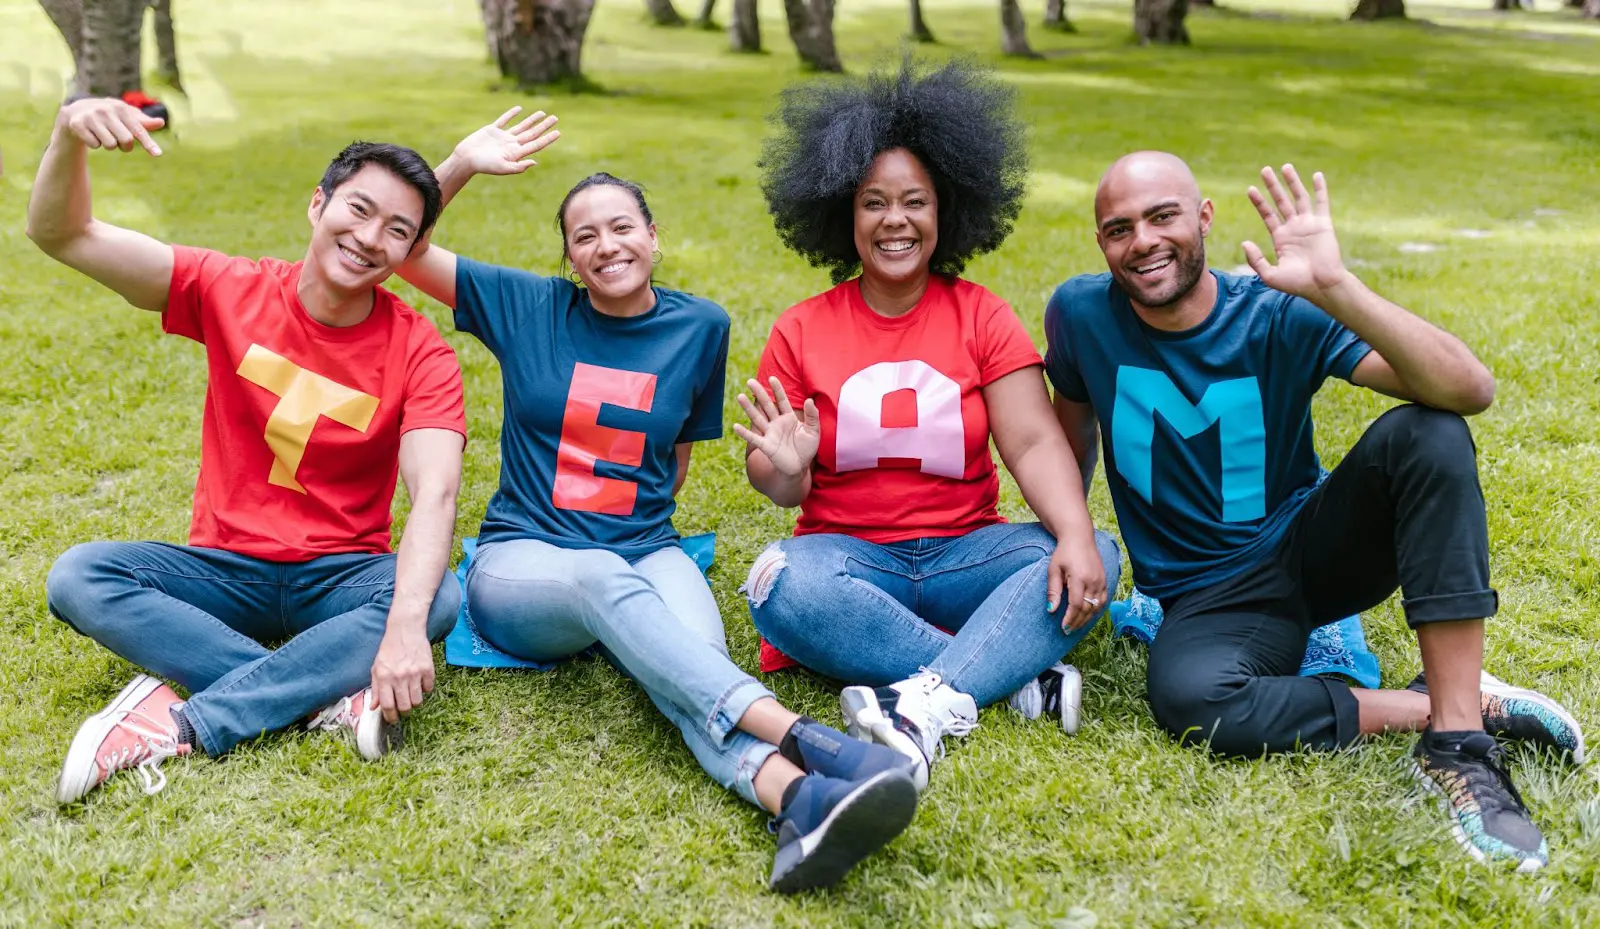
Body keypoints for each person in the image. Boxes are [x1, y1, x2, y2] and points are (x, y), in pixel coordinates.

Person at [394, 108, 919, 893]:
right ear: (569, 257)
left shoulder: (701, 327)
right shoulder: (527, 307)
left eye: (621, 227)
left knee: (695, 667)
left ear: (653, 234)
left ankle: (796, 796)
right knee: (605, 584)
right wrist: (462, 163)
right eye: (585, 236)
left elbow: (671, 465)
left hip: (645, 548)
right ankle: (814, 739)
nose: (607, 246)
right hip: (522, 564)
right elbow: (397, 246)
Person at [1044, 151, 1585, 871]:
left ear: (1203, 217)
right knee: (1188, 699)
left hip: (1314, 551)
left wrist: (1335, 285)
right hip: (1208, 598)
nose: (1141, 240)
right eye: (1118, 228)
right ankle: (1434, 701)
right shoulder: (1080, 314)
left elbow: (1470, 388)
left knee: (1428, 431)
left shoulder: (1280, 310)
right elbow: (1068, 437)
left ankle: (1457, 745)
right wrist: (1070, 535)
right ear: (1101, 242)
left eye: (1162, 215)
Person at [31, 98, 467, 804]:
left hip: (340, 578)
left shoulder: (421, 351)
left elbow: (437, 495)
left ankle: (186, 720)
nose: (368, 238)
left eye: (397, 230)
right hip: (224, 572)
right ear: (316, 203)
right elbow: (64, 233)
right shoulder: (228, 288)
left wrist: (408, 626)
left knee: (436, 595)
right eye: (357, 209)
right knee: (80, 576)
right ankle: (326, 698)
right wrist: (67, 135)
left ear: (409, 250)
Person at [737, 58, 1122, 792]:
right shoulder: (802, 329)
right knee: (778, 584)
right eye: (873, 203)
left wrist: (1073, 535)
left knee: (1096, 548)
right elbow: (778, 484)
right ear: (842, 214)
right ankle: (1001, 675)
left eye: (914, 202)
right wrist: (786, 466)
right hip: (848, 562)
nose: (895, 221)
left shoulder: (982, 313)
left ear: (945, 212)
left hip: (965, 559)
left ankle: (927, 695)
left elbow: (1036, 441)